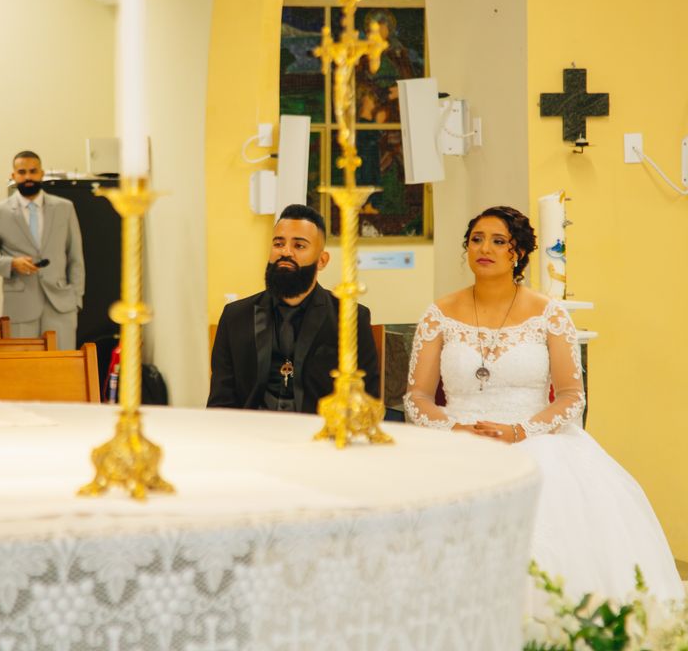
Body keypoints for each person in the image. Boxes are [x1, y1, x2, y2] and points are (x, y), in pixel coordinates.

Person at [404, 205, 683, 603]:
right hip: (459, 441)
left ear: (517, 253)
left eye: (499, 241)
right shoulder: (440, 314)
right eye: (477, 239)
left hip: (535, 438)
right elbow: (417, 396)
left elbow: (571, 397)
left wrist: (520, 431)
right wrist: (454, 430)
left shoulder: (547, 314)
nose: (485, 248)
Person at [208, 203, 380, 412]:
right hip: (251, 435)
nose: (286, 253)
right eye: (279, 244)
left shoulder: (350, 318)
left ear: (322, 260)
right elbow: (221, 403)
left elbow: (365, 403)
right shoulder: (236, 317)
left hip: (320, 436)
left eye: (299, 246)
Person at [0, 151, 85, 350]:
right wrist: (11, 264)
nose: (28, 177)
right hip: (20, 307)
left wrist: (76, 298)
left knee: (62, 369)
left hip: (61, 306)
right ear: (13, 176)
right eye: (22, 172)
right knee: (24, 371)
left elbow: (75, 257)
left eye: (33, 171)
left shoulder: (65, 208)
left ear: (42, 174)